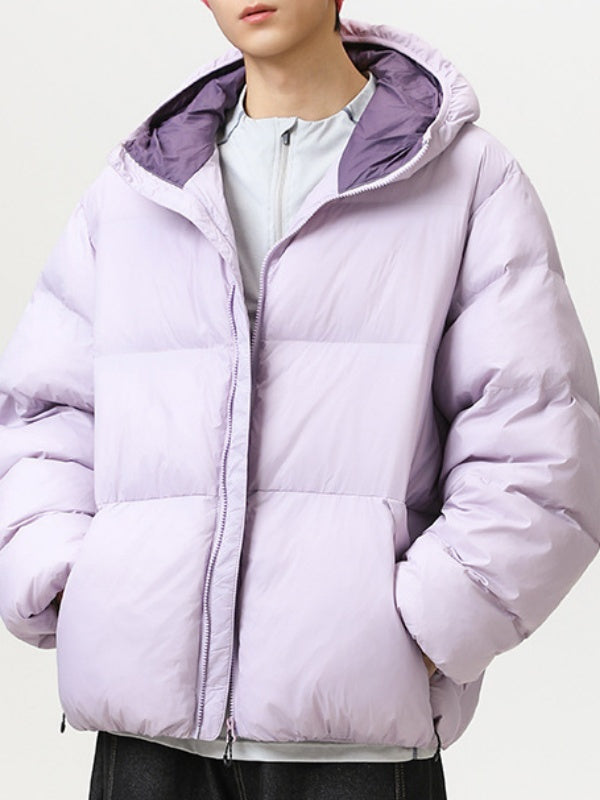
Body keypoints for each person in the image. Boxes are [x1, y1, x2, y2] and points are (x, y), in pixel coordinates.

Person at [1, 1, 599, 798]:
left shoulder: (466, 181)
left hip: (354, 749)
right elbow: (42, 416)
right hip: (146, 746)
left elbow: (538, 444)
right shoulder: (137, 192)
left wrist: (422, 628)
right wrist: (78, 587)